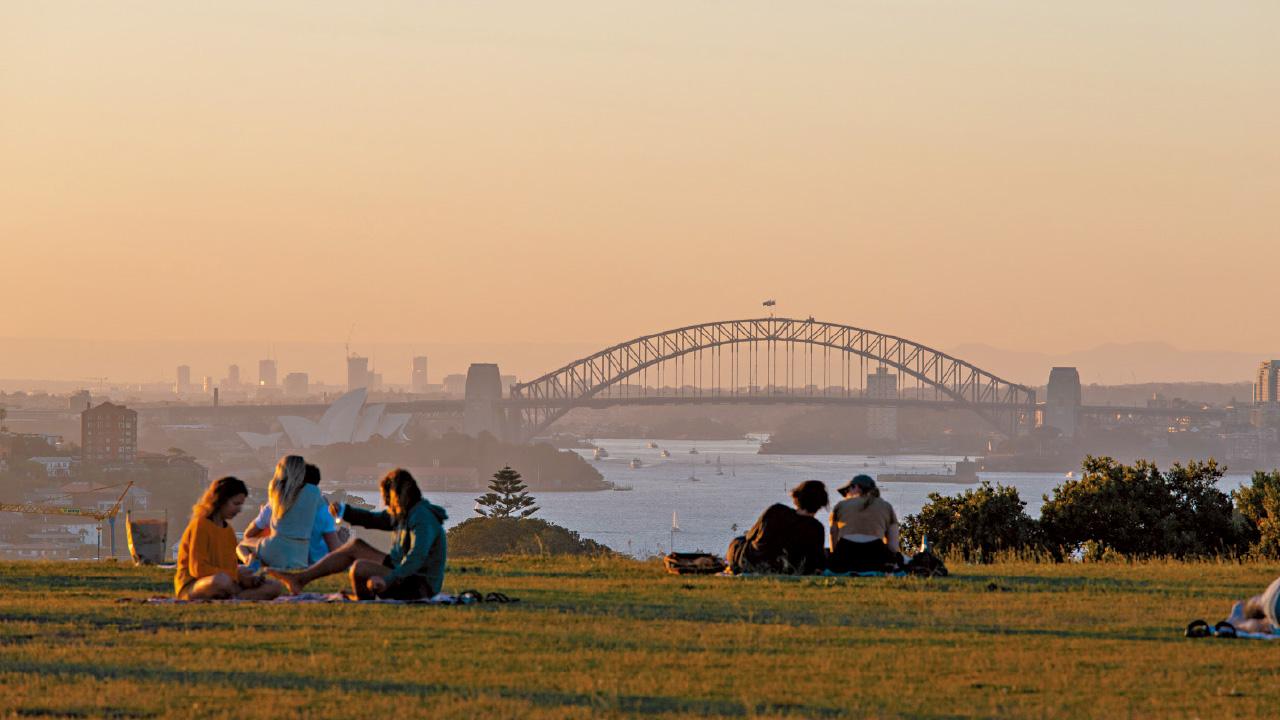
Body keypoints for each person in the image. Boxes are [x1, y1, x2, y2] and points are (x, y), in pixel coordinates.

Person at [270, 468, 448, 600]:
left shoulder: (422, 519)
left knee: (360, 568)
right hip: (403, 571)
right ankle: (300, 579)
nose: (385, 504)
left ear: (396, 496)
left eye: (387, 498)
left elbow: (416, 558)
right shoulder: (407, 512)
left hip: (418, 584)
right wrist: (345, 511)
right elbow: (374, 519)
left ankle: (363, 600)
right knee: (355, 546)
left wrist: (387, 579)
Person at [174, 476, 284, 600]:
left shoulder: (229, 531)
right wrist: (236, 575)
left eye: (240, 505)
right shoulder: (200, 525)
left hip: (228, 581)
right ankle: (236, 595)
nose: (239, 510)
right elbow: (198, 570)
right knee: (222, 581)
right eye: (235, 504)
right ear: (220, 501)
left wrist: (247, 577)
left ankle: (235, 597)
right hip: (194, 585)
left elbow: (229, 567)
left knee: (275, 586)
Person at [240, 463, 340, 566]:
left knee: (242, 545)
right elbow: (334, 548)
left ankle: (252, 562)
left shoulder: (275, 504)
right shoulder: (322, 506)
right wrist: (340, 539)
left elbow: (248, 535)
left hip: (280, 555)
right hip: (312, 560)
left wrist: (269, 534)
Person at [726, 480, 828, 575]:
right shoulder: (817, 528)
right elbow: (817, 561)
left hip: (753, 563)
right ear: (821, 504)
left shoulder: (776, 510)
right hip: (788, 568)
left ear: (797, 497)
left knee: (738, 541)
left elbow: (750, 536)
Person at [826, 474, 902, 573]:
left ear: (856, 487)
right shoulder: (886, 506)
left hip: (846, 553)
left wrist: (835, 556)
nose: (847, 494)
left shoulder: (841, 505)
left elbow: (833, 533)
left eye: (848, 490)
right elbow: (893, 545)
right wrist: (892, 558)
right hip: (875, 554)